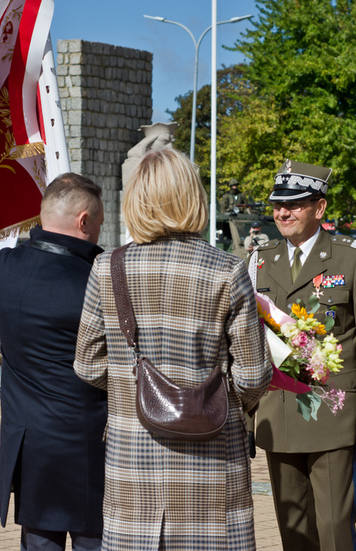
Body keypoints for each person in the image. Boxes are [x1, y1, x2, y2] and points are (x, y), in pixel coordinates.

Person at [74, 149, 272, 550]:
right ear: (192, 197)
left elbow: (86, 365)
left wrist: (133, 390)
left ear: (136, 201)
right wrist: (218, 396)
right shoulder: (227, 269)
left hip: (133, 464)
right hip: (212, 464)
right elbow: (253, 376)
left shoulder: (107, 267)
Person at [248, 159, 356, 550]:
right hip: (277, 415)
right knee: (292, 529)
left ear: (320, 208)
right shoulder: (259, 261)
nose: (283, 212)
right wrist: (245, 419)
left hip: (333, 413)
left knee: (333, 529)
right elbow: (246, 344)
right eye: (278, 204)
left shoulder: (352, 257)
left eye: (294, 204)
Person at [0, 173, 107, 551]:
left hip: (29, 443)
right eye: (99, 224)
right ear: (84, 220)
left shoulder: (3, 268)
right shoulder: (98, 279)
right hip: (88, 445)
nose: (100, 234)